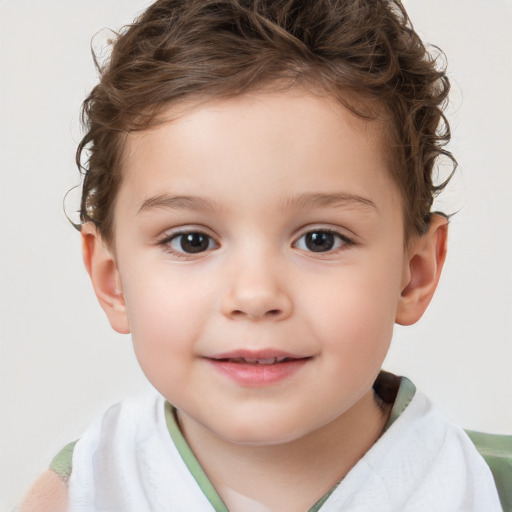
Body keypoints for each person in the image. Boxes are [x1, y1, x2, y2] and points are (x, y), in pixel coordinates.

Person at [19, 0, 503, 510]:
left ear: (414, 274)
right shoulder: (85, 492)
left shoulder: (479, 488)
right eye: (192, 241)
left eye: (321, 239)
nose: (255, 295)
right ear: (112, 279)